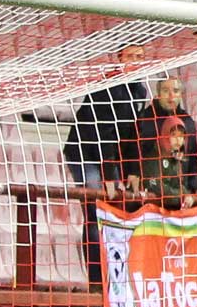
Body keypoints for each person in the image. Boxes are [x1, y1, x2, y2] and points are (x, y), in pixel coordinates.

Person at [62, 43, 147, 285]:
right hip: (85, 151)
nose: (136, 61)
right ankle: (96, 281)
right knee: (95, 208)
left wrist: (131, 172)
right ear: (119, 59)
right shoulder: (106, 88)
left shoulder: (139, 91)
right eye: (131, 56)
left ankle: (117, 275)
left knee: (119, 210)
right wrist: (110, 175)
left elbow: (132, 135)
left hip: (109, 155)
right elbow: (102, 134)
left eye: (140, 56)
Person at [120, 77, 197, 198]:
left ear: (181, 94)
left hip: (179, 193)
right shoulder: (145, 119)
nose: (171, 96)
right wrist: (133, 172)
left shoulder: (189, 123)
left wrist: (190, 189)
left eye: (175, 91)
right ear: (158, 94)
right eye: (165, 91)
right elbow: (131, 151)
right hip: (147, 191)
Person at [136, 116, 197, 210]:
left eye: (181, 136)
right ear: (165, 134)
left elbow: (178, 184)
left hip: (167, 210)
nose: (178, 140)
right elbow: (156, 186)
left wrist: (188, 195)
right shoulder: (154, 157)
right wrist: (180, 196)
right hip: (146, 211)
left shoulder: (175, 158)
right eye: (173, 135)